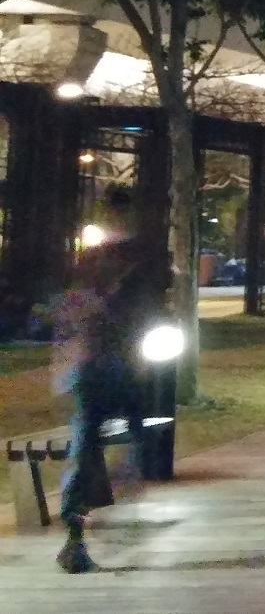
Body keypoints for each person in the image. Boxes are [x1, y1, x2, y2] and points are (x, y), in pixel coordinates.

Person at [49, 241, 146, 574]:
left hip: (108, 378)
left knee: (113, 445)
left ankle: (91, 521)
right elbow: (81, 339)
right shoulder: (84, 300)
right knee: (85, 450)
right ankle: (75, 537)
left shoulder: (110, 298)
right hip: (89, 381)